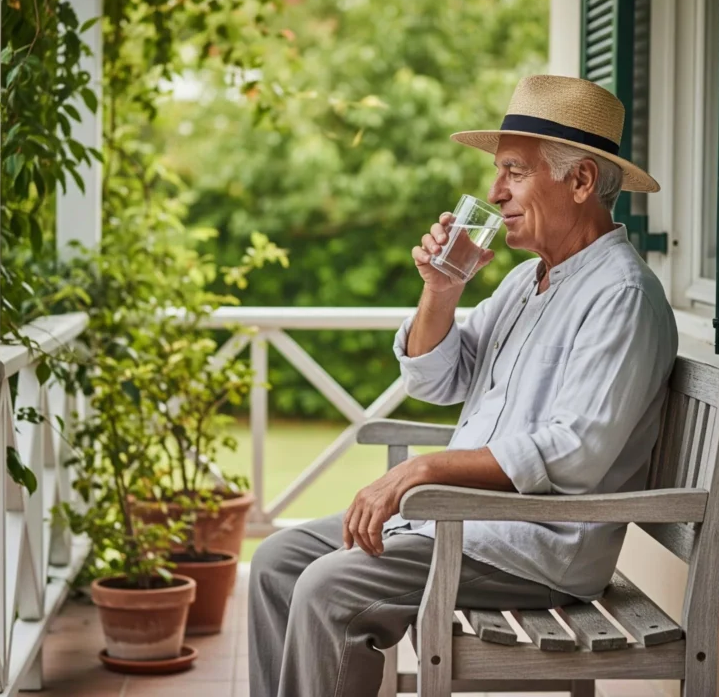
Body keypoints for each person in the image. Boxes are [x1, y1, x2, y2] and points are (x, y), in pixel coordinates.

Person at [248, 74, 678, 697]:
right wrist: (441, 290)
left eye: (513, 171)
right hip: (464, 526)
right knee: (275, 563)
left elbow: (577, 451)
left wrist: (422, 472)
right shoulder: (526, 282)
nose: (494, 191)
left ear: (581, 181)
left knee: (328, 588)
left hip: (532, 550)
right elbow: (438, 379)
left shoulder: (622, 296)